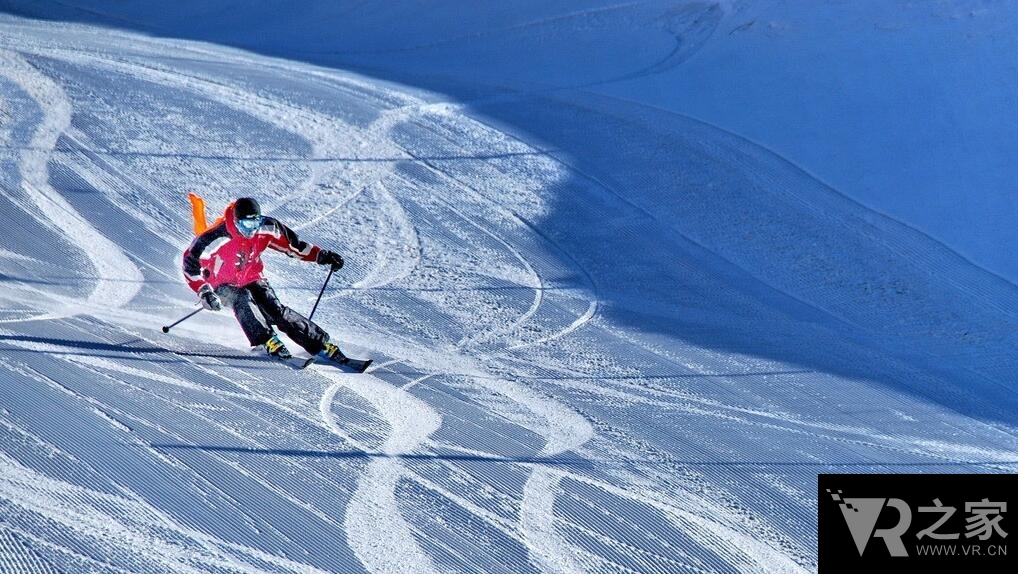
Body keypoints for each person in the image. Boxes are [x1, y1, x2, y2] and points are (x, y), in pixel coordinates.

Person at [182, 197, 348, 361]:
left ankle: (319, 344)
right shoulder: (217, 237)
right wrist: (204, 292)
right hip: (221, 283)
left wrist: (321, 256)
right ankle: (265, 341)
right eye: (246, 225)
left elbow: (294, 246)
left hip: (251, 276)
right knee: (242, 298)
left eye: (255, 223)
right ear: (236, 221)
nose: (251, 230)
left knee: (275, 309)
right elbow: (189, 265)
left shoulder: (267, 227)